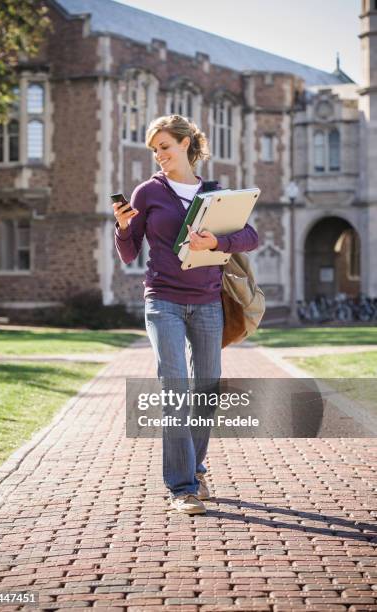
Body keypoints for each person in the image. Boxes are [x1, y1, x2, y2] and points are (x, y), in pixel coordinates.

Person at [114, 114, 259, 514]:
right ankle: (181, 488)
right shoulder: (147, 193)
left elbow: (251, 236)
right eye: (154, 149)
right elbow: (129, 252)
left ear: (186, 144)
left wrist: (218, 240)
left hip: (209, 301)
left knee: (206, 389)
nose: (159, 155)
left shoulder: (213, 193)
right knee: (175, 387)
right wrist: (124, 228)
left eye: (165, 146)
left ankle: (194, 467)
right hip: (163, 301)